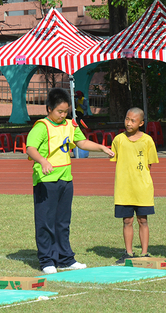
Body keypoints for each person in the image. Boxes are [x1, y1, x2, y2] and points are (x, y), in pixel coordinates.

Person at [26, 88, 114, 274]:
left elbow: (81, 143)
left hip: (65, 179)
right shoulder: (41, 126)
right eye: (60, 111)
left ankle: (66, 258)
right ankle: (47, 260)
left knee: (63, 222)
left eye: (66, 111)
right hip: (45, 180)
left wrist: (101, 147)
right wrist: (42, 161)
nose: (63, 115)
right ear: (49, 108)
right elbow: (30, 148)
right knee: (46, 221)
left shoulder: (70, 125)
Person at [111, 108, 159, 264]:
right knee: (127, 221)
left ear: (141, 123)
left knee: (143, 220)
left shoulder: (147, 140)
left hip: (142, 188)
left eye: (133, 120)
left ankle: (145, 253)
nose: (129, 123)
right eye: (127, 119)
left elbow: (149, 164)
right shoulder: (118, 140)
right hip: (124, 188)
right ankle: (128, 253)